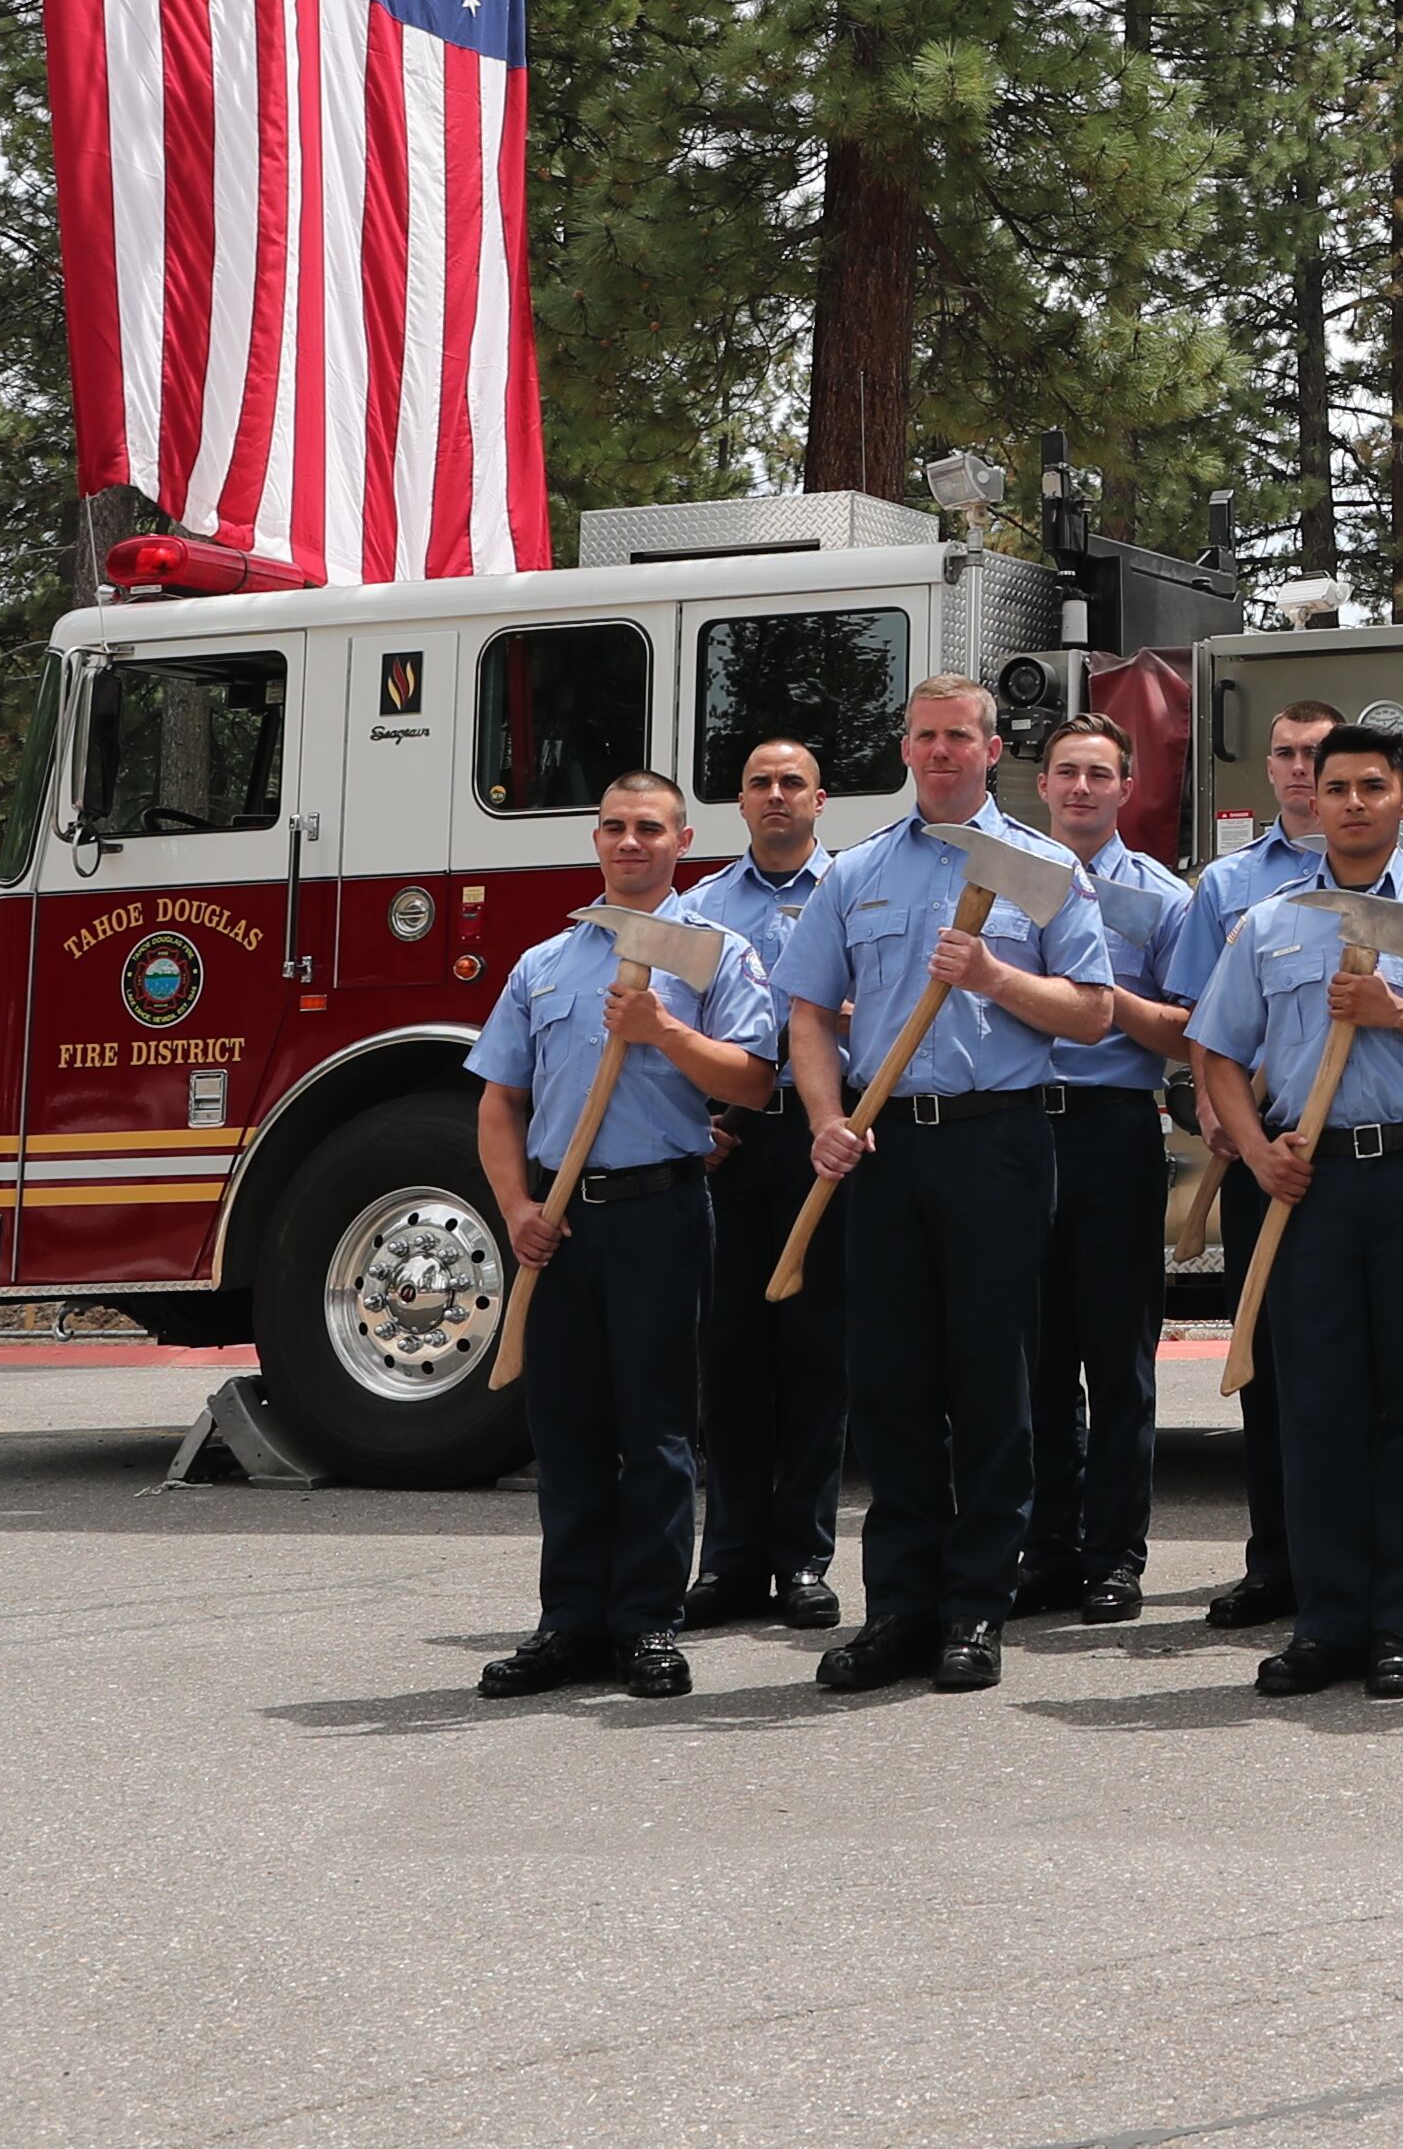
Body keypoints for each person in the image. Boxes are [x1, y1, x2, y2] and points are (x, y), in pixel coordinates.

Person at [775, 675, 1115, 1696]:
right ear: (905, 748)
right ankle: (901, 1609)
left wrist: (997, 979)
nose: (940, 752)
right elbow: (806, 1015)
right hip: (885, 1150)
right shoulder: (855, 875)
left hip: (997, 1146)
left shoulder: (1046, 870)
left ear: (992, 747)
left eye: (958, 737)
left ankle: (977, 1607)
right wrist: (828, 1120)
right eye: (924, 737)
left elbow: (1095, 1013)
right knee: (891, 1386)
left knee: (990, 1381)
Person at [1193, 708, 1403, 1700]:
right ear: (1310, 804)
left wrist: (1401, 1013)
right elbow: (1217, 1049)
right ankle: (1328, 1622)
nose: (1354, 805)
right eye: (1336, 789)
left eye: (1373, 788)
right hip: (1308, 1183)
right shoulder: (1271, 923)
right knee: (1316, 1407)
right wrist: (1257, 1146)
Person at [468, 771, 760, 1698]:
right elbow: (498, 1102)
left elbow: (754, 1082)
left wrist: (664, 1029)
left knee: (659, 1427)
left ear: (683, 842)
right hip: (558, 1220)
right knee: (568, 1432)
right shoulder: (542, 965)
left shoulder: (716, 954)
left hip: (659, 1214)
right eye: (613, 828)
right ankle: (570, 1624)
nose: (629, 843)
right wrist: (517, 1208)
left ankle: (647, 1624)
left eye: (648, 829)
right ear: (595, 841)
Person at [1019, 711, 1191, 1627]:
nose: (1081, 788)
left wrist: (1094, 996)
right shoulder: (1006, 886)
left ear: (1127, 788)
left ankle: (1115, 1557)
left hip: (1111, 1131)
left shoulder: (1163, 900)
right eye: (1066, 772)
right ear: (1041, 786)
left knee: (1117, 1358)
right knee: (1034, 1359)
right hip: (1013, 1136)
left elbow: (1190, 1034)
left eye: (1099, 774)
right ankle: (1045, 1550)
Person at [1172, 697, 1339, 1631]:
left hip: (1355, 1149)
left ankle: (1358, 1563)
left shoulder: (1397, 878)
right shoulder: (1226, 887)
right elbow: (1206, 1024)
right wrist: (1217, 1108)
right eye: (1287, 752)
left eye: (1318, 750)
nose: (1303, 767)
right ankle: (1275, 1560)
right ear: (1268, 769)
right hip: (1262, 1149)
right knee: (1266, 1364)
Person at [678, 733, 846, 1631]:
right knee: (731, 1352)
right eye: (759, 784)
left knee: (819, 1353)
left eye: (792, 783)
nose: (776, 795)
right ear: (738, 804)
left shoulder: (855, 891)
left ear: (820, 801)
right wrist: (690, 1122)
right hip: (733, 1144)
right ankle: (731, 1559)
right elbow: (674, 1023)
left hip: (827, 1136)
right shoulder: (699, 908)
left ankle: (804, 1562)